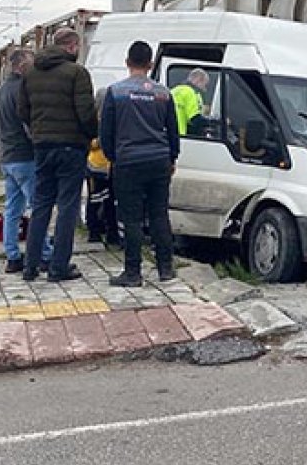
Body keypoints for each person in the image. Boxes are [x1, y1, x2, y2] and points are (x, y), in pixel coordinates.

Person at [18, 28, 98, 282]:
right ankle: (59, 266)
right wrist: (91, 135)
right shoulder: (77, 73)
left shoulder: (30, 73)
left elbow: (22, 110)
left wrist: (38, 130)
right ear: (72, 46)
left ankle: (30, 265)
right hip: (71, 146)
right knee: (67, 207)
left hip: (42, 146)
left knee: (41, 204)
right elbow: (85, 112)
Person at [100, 40, 180, 287]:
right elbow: (173, 130)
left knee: (131, 218)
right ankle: (165, 268)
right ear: (151, 64)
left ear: (127, 62)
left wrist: (113, 157)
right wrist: (172, 157)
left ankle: (133, 272)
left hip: (128, 161)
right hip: (159, 160)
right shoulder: (163, 93)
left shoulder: (116, 92)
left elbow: (106, 132)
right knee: (159, 214)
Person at [0, 48, 52, 273]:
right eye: (31, 64)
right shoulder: (23, 90)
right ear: (22, 66)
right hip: (26, 156)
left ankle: (12, 255)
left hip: (8, 156)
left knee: (12, 209)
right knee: (38, 207)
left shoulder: (0, 91)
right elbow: (28, 125)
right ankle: (44, 254)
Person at [171, 68, 209, 135]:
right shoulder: (190, 93)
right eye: (204, 85)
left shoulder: (174, 90)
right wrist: (215, 122)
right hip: (181, 136)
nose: (205, 89)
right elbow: (195, 119)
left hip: (168, 135)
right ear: (198, 80)